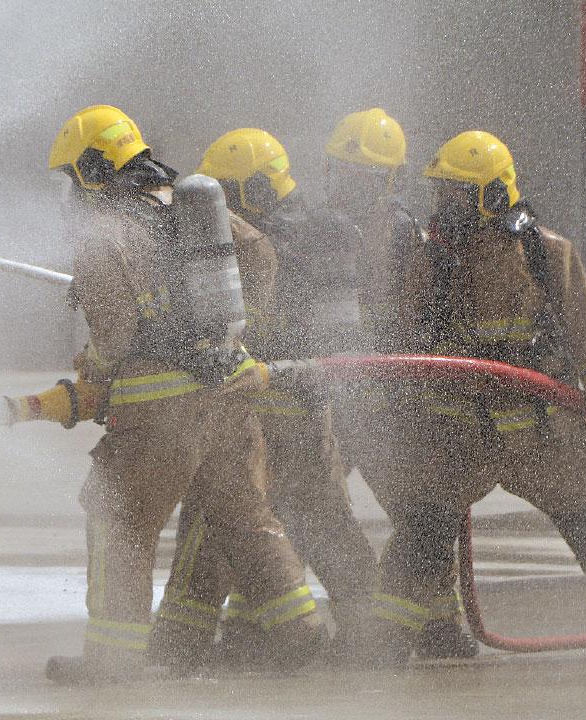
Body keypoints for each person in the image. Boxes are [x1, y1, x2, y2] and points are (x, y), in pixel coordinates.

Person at [371, 129, 586, 664]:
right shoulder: (432, 261)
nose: (445, 207)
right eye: (441, 194)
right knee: (420, 540)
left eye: (457, 195)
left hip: (545, 437)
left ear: (492, 196)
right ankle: (381, 650)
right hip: (457, 436)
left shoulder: (547, 254)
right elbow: (403, 343)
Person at [43, 105, 323, 684]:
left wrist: (94, 366)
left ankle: (113, 661)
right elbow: (261, 254)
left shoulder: (106, 230)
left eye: (73, 176)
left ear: (93, 168)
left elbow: (115, 336)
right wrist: (236, 333)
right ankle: (298, 629)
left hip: (155, 415)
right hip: (226, 398)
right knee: (244, 517)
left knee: (118, 518)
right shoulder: (194, 205)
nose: (72, 192)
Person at [149, 128, 376, 668]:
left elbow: (338, 342)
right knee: (318, 523)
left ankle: (180, 648)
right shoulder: (317, 232)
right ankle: (373, 637)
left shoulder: (292, 238)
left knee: (220, 520)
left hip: (271, 408)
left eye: (226, 195)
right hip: (288, 407)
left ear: (255, 189)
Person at [322, 108, 478, 659]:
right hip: (352, 394)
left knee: (418, 515)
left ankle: (422, 629)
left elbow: (411, 323)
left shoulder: (401, 234)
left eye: (358, 177)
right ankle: (436, 627)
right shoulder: (340, 231)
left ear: (386, 180)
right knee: (401, 513)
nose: (344, 187)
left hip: (391, 400)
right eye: (340, 173)